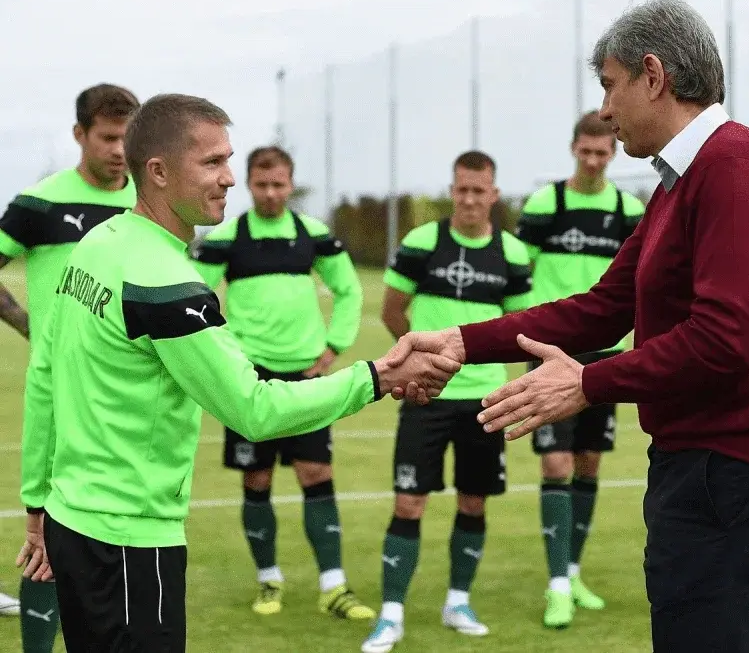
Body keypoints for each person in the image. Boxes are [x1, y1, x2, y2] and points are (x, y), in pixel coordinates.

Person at [386, 0, 749, 653]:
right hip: (699, 465)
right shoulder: (678, 181)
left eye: (611, 86)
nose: (607, 110)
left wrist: (587, 383)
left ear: (654, 75)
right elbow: (603, 307)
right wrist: (460, 342)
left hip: (736, 471)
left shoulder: (736, 167)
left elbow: (726, 340)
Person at [16, 93, 459, 653]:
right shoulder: (165, 281)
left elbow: (45, 374)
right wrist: (377, 377)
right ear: (158, 171)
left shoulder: (97, 245)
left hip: (70, 521)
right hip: (128, 540)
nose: (229, 178)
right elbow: (255, 409)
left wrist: (38, 505)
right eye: (212, 163)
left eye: (228, 160)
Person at [189, 145, 373, 620]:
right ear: (248, 184)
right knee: (258, 478)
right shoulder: (226, 237)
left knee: (316, 474)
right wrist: (225, 355)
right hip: (249, 381)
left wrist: (334, 345)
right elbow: (192, 296)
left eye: (279, 185)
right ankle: (268, 579)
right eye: (261, 184)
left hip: (307, 378)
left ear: (291, 185)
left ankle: (333, 586)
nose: (270, 194)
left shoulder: (314, 235)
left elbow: (348, 289)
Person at [361, 151, 533, 653]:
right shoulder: (421, 242)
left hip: (485, 399)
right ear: (452, 190)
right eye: (462, 189)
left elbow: (518, 327)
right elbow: (393, 311)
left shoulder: (512, 254)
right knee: (409, 501)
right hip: (427, 397)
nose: (470, 199)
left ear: (494, 195)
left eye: (480, 190)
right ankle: (391, 613)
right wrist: (420, 362)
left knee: (473, 501)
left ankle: (458, 601)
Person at [1, 82, 140, 653]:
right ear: (80, 134)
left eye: (128, 137)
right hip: (59, 396)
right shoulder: (39, 204)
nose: (120, 150)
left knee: (121, 537)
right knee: (47, 539)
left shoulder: (149, 202)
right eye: (108, 137)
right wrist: (29, 325)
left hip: (127, 396)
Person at [514, 110, 645, 626]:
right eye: (585, 152)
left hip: (605, 355)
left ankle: (572, 571)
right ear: (573, 149)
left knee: (589, 462)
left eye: (601, 152)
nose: (593, 161)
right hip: (549, 351)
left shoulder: (628, 210)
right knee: (555, 464)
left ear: (613, 152)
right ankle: (557, 587)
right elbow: (518, 272)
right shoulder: (545, 204)